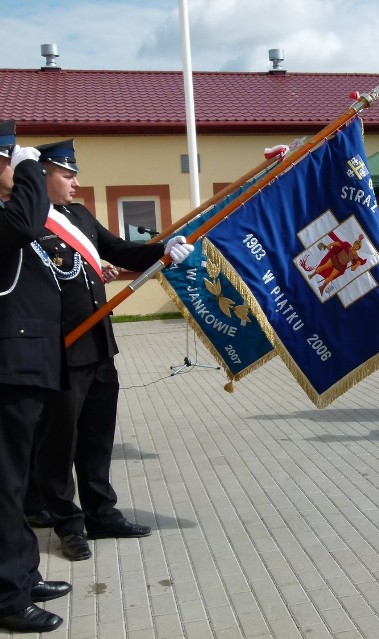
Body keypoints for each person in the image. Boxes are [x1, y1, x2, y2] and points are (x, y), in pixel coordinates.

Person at [28, 139, 194, 562]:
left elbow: (119, 250)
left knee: (98, 438)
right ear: (43, 173)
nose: (76, 183)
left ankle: (101, 514)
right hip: (61, 349)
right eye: (68, 175)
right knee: (59, 444)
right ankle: (67, 523)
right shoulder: (26, 221)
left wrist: (164, 250)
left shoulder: (79, 216)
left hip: (99, 344)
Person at [0, 121, 71, 634]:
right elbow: (26, 223)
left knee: (16, 483)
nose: (16, 166)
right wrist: (29, 168)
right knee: (4, 486)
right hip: (7, 369)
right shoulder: (11, 217)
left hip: (26, 366)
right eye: (8, 158)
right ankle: (8, 595)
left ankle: (21, 575)